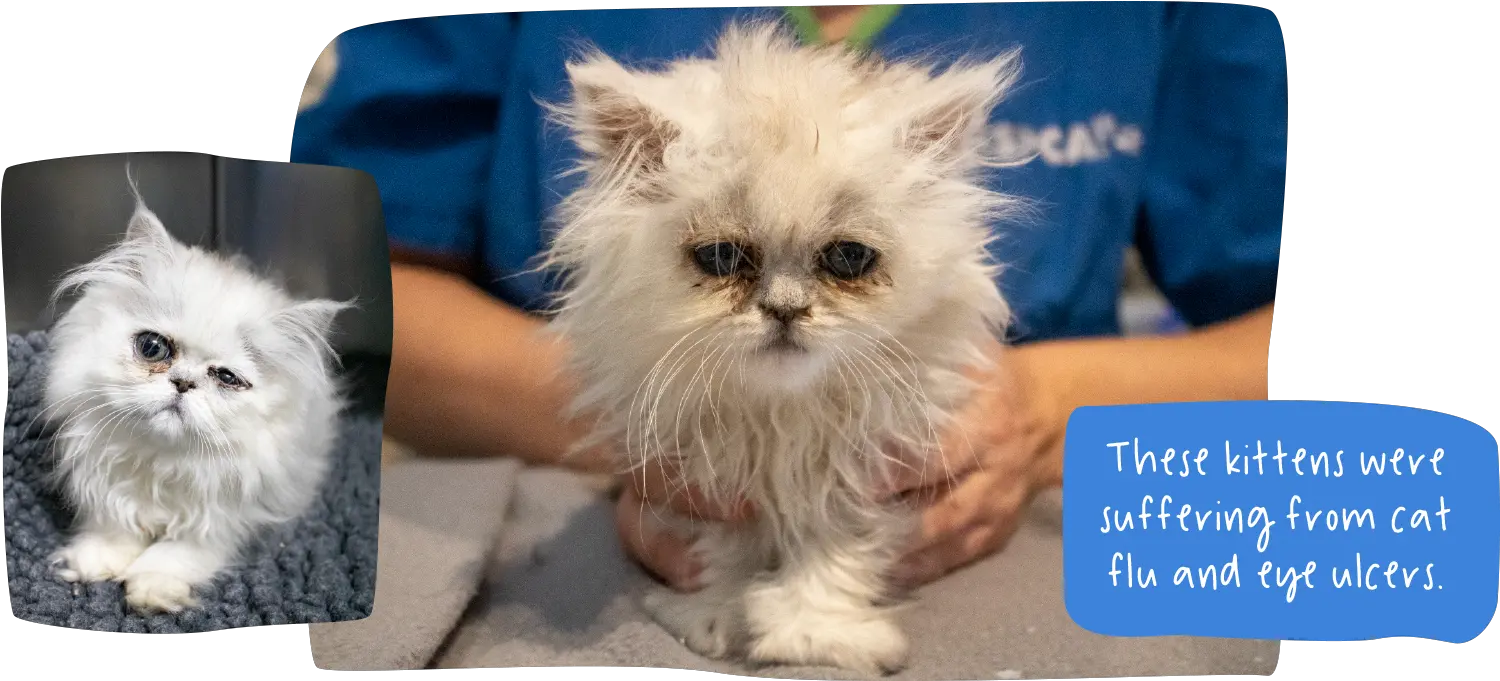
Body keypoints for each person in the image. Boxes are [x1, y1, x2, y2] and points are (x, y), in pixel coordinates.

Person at [291, 3, 1285, 591]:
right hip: (570, 531)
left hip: (1013, 550)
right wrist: (641, 423)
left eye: (848, 261)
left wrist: (1048, 407)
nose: (782, 303)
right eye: (722, 256)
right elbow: (312, 295)